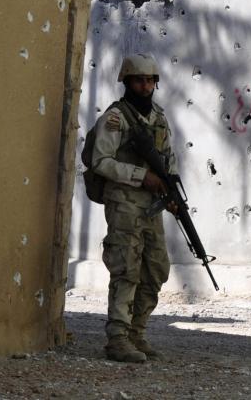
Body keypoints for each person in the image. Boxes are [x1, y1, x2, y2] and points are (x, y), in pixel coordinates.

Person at [91, 53, 177, 363]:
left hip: (151, 206)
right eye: (139, 80)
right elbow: (100, 162)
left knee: (155, 269)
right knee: (126, 268)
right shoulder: (115, 119)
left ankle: (137, 333)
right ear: (127, 82)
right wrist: (142, 177)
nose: (145, 86)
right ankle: (117, 338)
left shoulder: (158, 117)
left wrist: (172, 189)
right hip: (124, 203)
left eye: (151, 80)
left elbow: (168, 156)